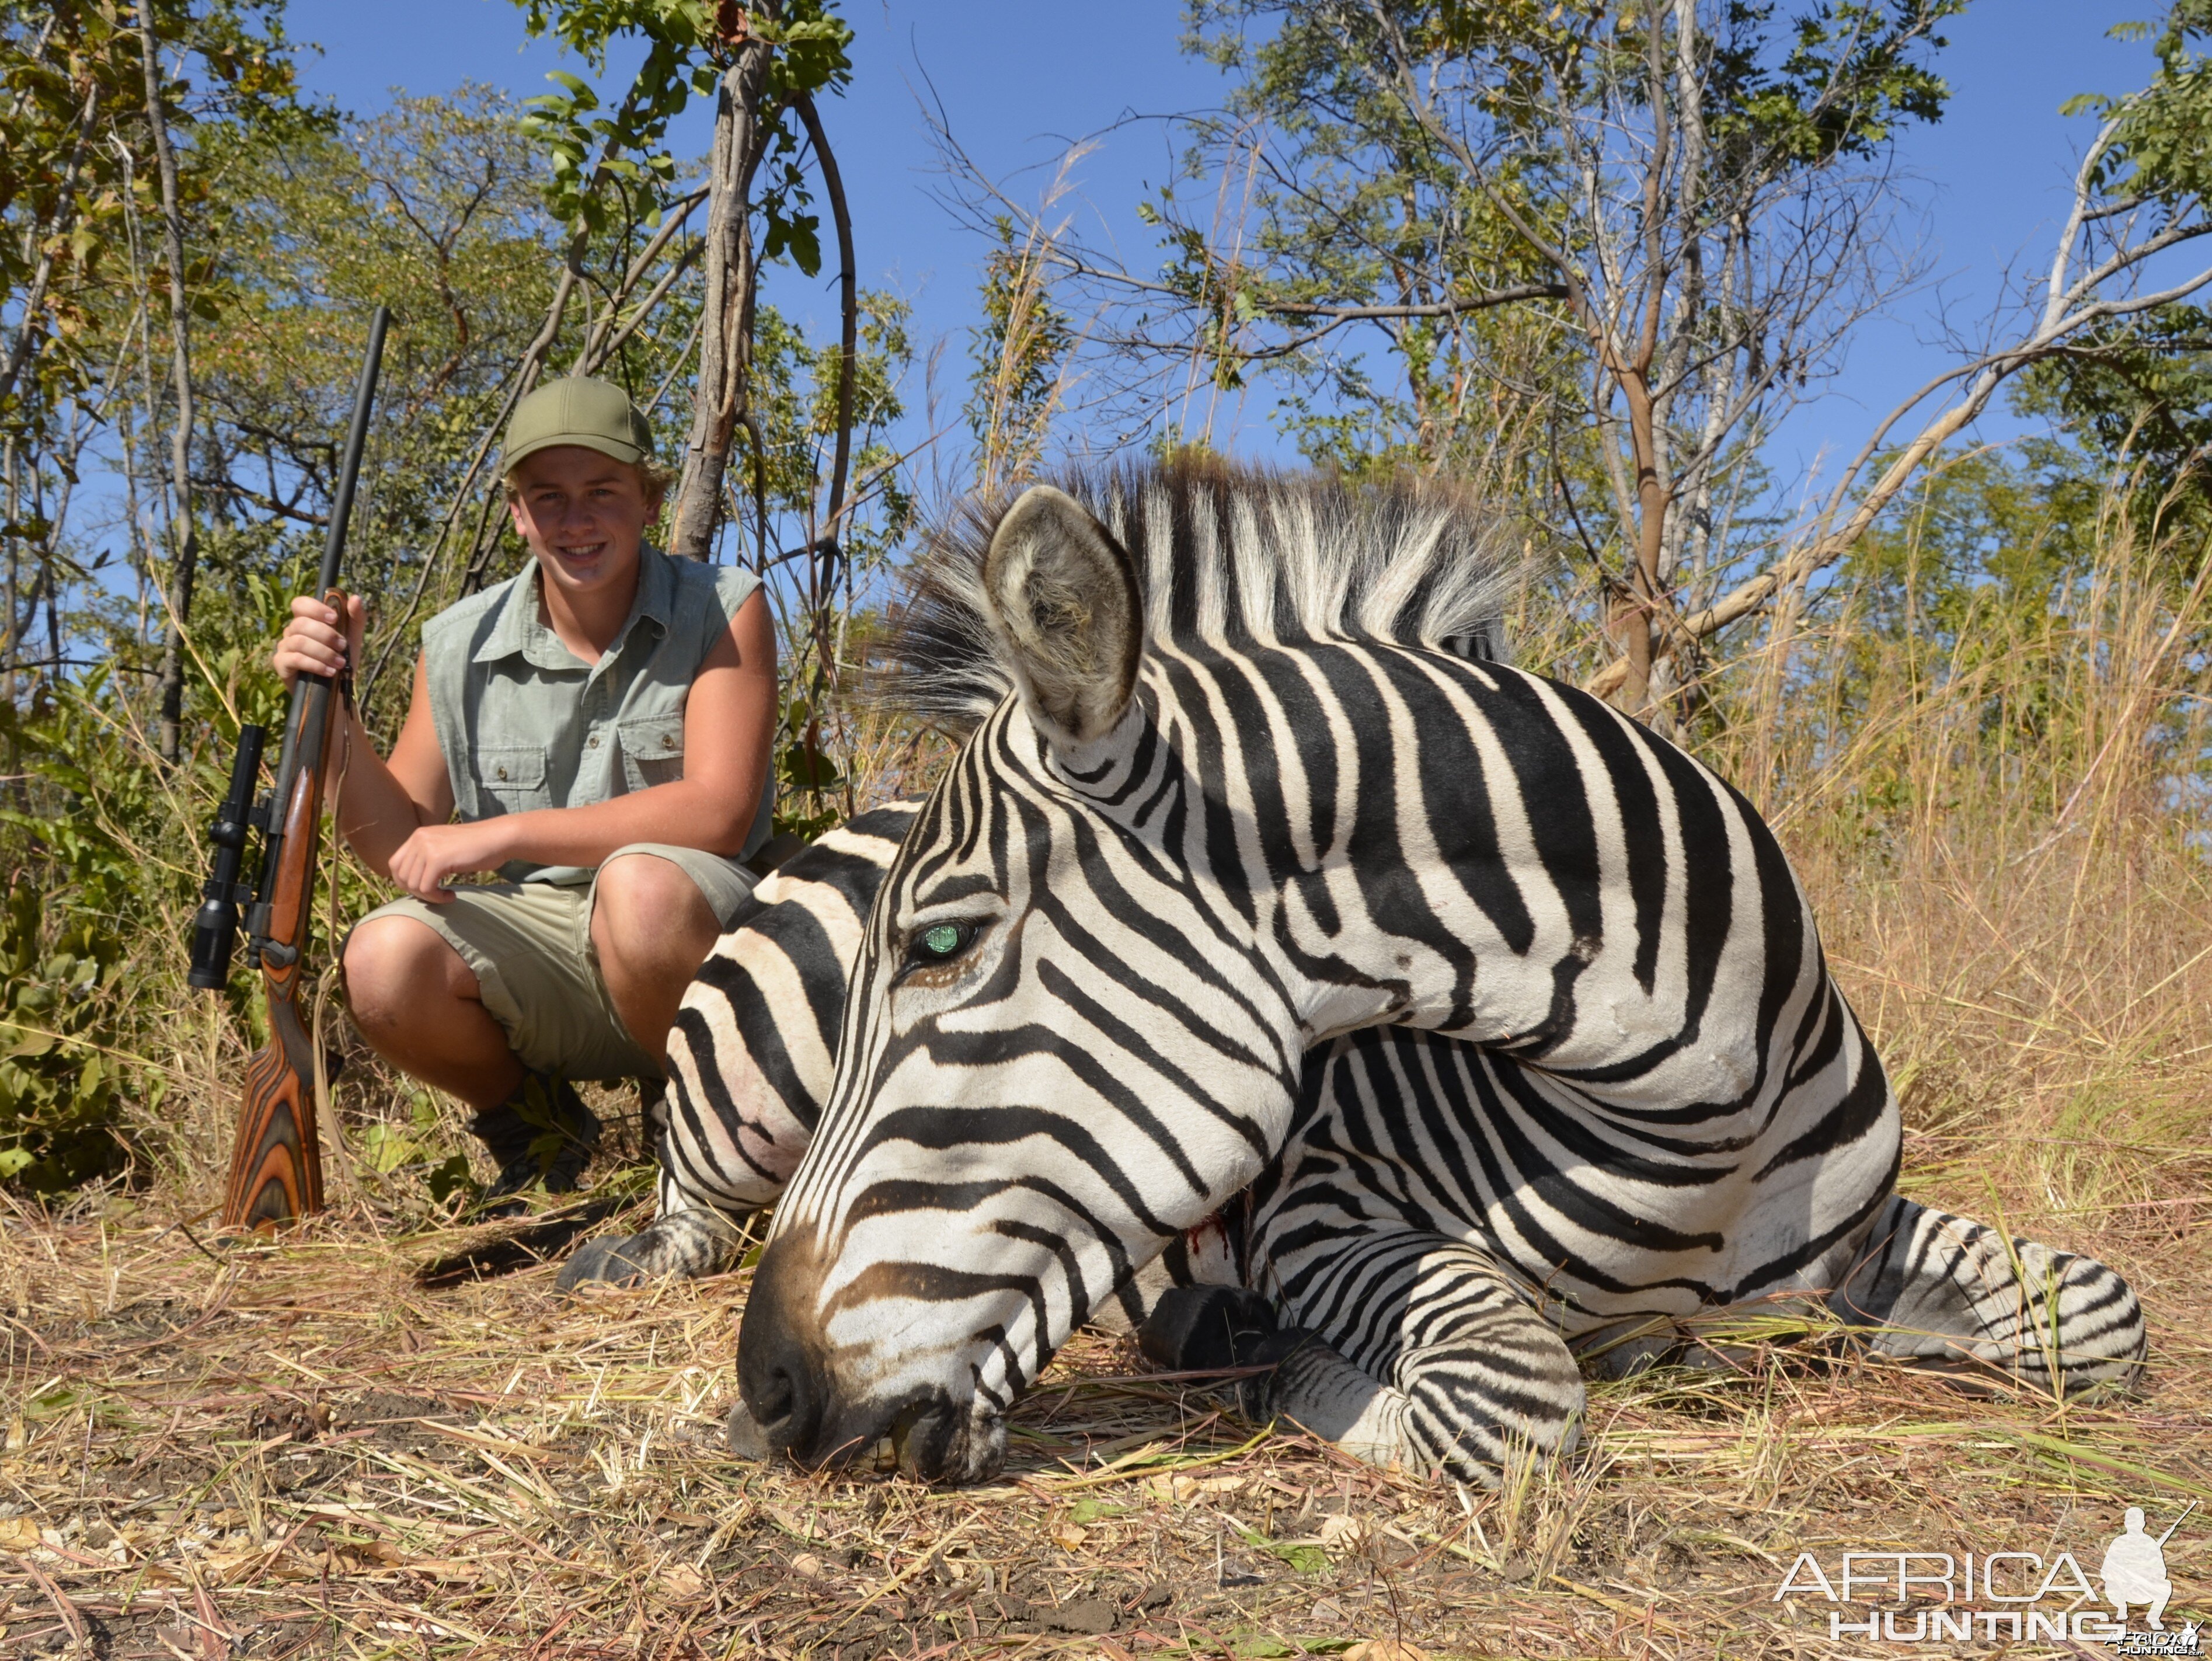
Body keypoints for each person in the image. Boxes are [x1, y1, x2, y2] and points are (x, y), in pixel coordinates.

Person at [273, 377, 777, 1200]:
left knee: (640, 886)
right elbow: (400, 842)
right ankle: (537, 1127)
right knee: (384, 955)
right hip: (544, 945)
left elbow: (718, 813)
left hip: (690, 927)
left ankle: (704, 1138)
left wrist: (500, 835)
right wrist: (334, 712)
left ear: (649, 500)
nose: (575, 521)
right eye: (549, 498)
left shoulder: (725, 606)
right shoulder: (458, 640)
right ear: (516, 512)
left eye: (601, 493)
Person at [2102, 1507, 2175, 1630]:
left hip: (2144, 1590)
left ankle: (2154, 1617)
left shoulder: (2150, 1543)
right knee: (2110, 1584)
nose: (2134, 1526)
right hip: (2123, 1589)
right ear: (2126, 1524)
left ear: (2143, 1524)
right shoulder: (2118, 1542)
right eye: (2131, 1522)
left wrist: (2146, 1574)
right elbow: (2106, 1570)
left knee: (2166, 1586)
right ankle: (2121, 1609)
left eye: (2137, 1522)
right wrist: (2122, 1577)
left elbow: (2161, 1570)